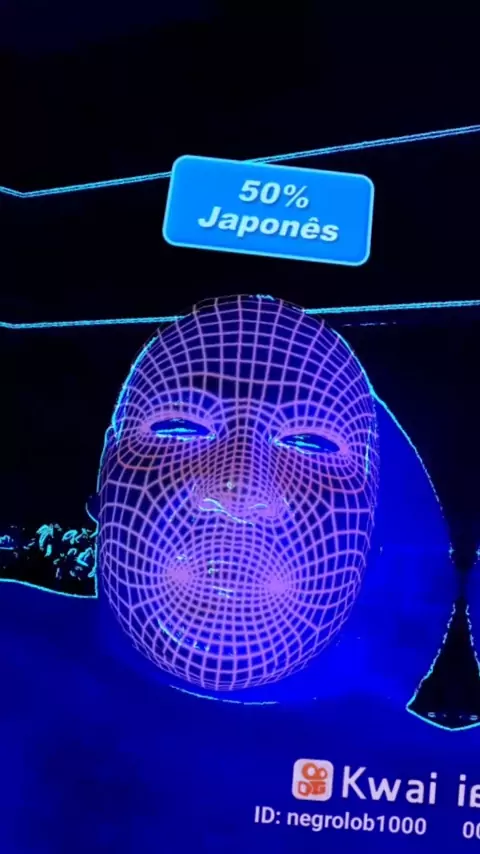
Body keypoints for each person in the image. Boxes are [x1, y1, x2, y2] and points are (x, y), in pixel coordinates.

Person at [0, 295, 476, 854]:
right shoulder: (15, 650)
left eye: (308, 443)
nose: (239, 487)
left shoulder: (417, 788)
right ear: (105, 477)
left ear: (372, 521)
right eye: (179, 428)